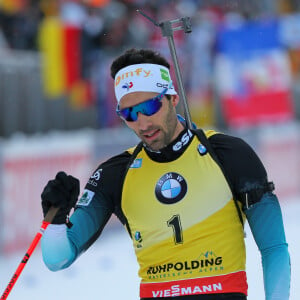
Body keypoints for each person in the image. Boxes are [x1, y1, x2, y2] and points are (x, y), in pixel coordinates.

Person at [41, 48, 290, 300]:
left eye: (150, 106)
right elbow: (57, 258)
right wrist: (55, 217)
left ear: (172, 97)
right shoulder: (115, 173)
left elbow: (274, 248)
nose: (142, 123)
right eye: (128, 114)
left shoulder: (228, 154)